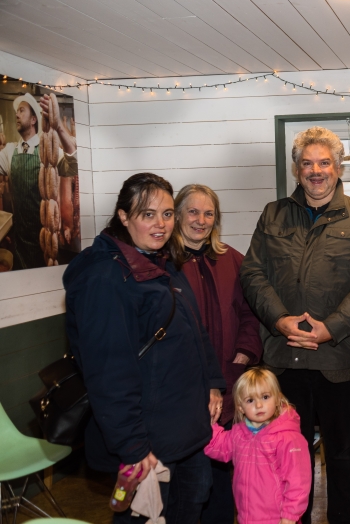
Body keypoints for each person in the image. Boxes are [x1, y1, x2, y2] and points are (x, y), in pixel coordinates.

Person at [63, 172, 226, 523]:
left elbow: (195, 330)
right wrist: (134, 447)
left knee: (193, 503)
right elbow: (109, 374)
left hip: (186, 429)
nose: (161, 224)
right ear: (124, 216)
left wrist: (212, 381)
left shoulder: (160, 262)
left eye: (167, 214)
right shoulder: (105, 278)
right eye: (147, 214)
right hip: (149, 440)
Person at [240, 126, 350, 524]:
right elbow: (253, 274)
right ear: (296, 169)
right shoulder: (273, 214)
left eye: (324, 163)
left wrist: (330, 328)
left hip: (337, 358)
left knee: (341, 451)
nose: (315, 171)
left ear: (338, 168)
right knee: (286, 450)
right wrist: (280, 320)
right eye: (307, 164)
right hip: (283, 358)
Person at [169, 184, 263, 523]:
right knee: (191, 482)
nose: (201, 220)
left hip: (227, 383)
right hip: (181, 390)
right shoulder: (163, 264)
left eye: (208, 213)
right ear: (177, 215)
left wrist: (244, 352)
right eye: (193, 212)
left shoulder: (233, 260)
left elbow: (252, 313)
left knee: (224, 478)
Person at [204, 367, 311, 524]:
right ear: (240, 407)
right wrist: (207, 424)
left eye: (265, 397)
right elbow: (218, 446)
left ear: (278, 398)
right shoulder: (239, 433)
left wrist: (290, 516)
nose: (259, 405)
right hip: (247, 516)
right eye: (250, 400)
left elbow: (298, 481)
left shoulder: (288, 438)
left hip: (279, 519)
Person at [0, 93, 77, 268]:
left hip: (45, 243)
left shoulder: (48, 151)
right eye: (16, 112)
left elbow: (72, 166)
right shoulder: (10, 151)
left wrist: (58, 127)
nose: (17, 115)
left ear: (34, 119)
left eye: (21, 110)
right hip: (19, 241)